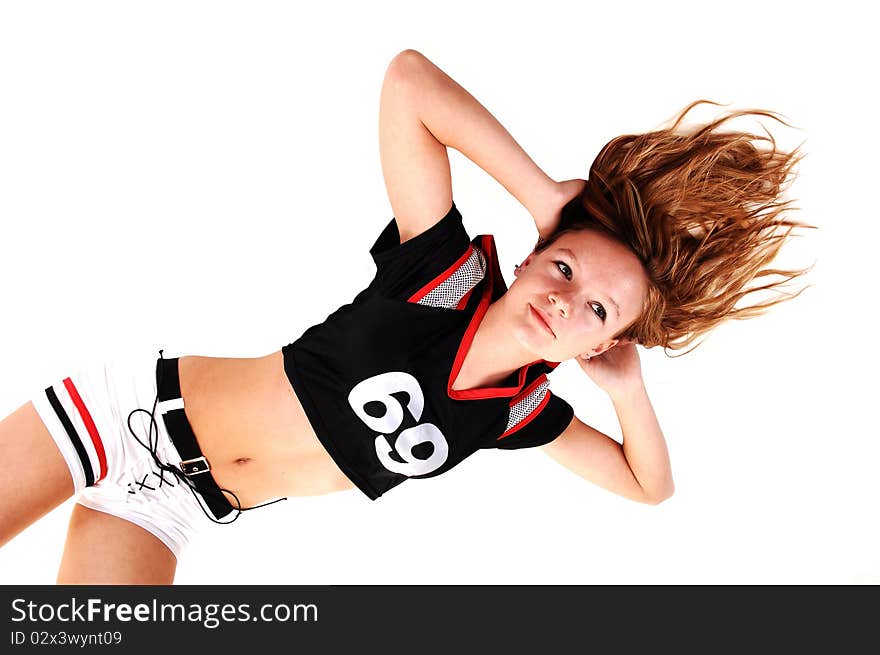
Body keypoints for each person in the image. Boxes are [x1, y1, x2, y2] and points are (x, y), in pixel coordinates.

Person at [0, 49, 814, 584]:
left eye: (594, 309)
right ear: (530, 256)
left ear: (602, 339)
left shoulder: (521, 412)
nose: (563, 299)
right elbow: (408, 84)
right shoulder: (445, 277)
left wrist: (626, 387)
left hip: (176, 505)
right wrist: (543, 194)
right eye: (563, 267)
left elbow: (650, 486)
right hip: (124, 417)